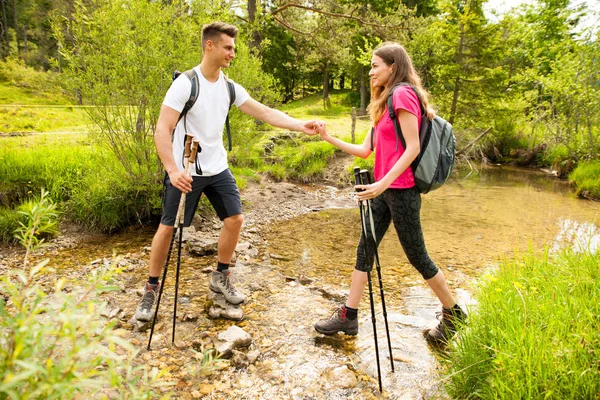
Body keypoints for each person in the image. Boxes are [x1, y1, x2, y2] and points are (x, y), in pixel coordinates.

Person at [135, 22, 321, 322]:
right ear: (210, 46)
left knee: (235, 218)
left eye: (233, 48)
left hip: (217, 167)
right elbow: (162, 128)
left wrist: (301, 125)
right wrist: (171, 170)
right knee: (168, 228)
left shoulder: (229, 87)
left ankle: (220, 276)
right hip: (186, 168)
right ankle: (151, 289)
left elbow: (265, 113)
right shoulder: (185, 83)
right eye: (228, 47)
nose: (232, 53)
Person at [314, 42, 466, 344]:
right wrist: (328, 137)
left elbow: (413, 148)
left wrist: (383, 184)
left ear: (392, 67)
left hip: (401, 190)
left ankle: (453, 312)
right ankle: (349, 316)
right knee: (364, 249)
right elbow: (364, 151)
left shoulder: (403, 94)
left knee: (417, 256)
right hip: (381, 191)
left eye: (375, 65)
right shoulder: (384, 102)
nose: (370, 71)